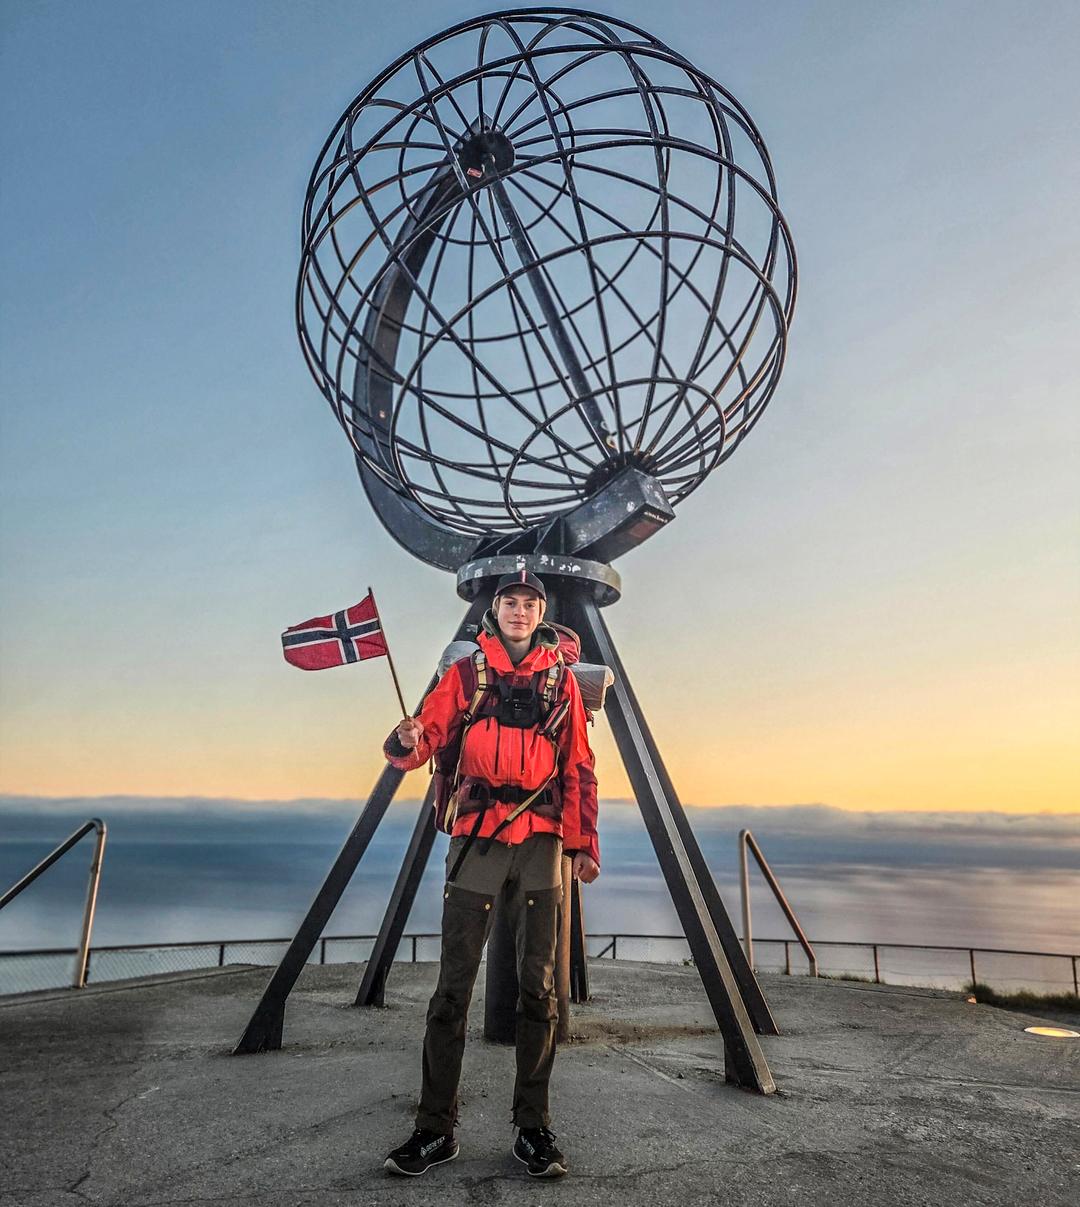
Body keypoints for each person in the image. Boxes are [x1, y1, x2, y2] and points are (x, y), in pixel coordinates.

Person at [382, 571, 600, 1179]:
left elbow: (579, 768)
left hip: (541, 844)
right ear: (496, 610)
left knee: (538, 991)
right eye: (510, 602)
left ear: (541, 612)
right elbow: (426, 735)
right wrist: (406, 740)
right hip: (478, 837)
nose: (520, 611)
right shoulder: (466, 673)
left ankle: (533, 1129)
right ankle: (434, 1129)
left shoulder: (563, 683)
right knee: (452, 989)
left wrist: (585, 846)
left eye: (530, 603)